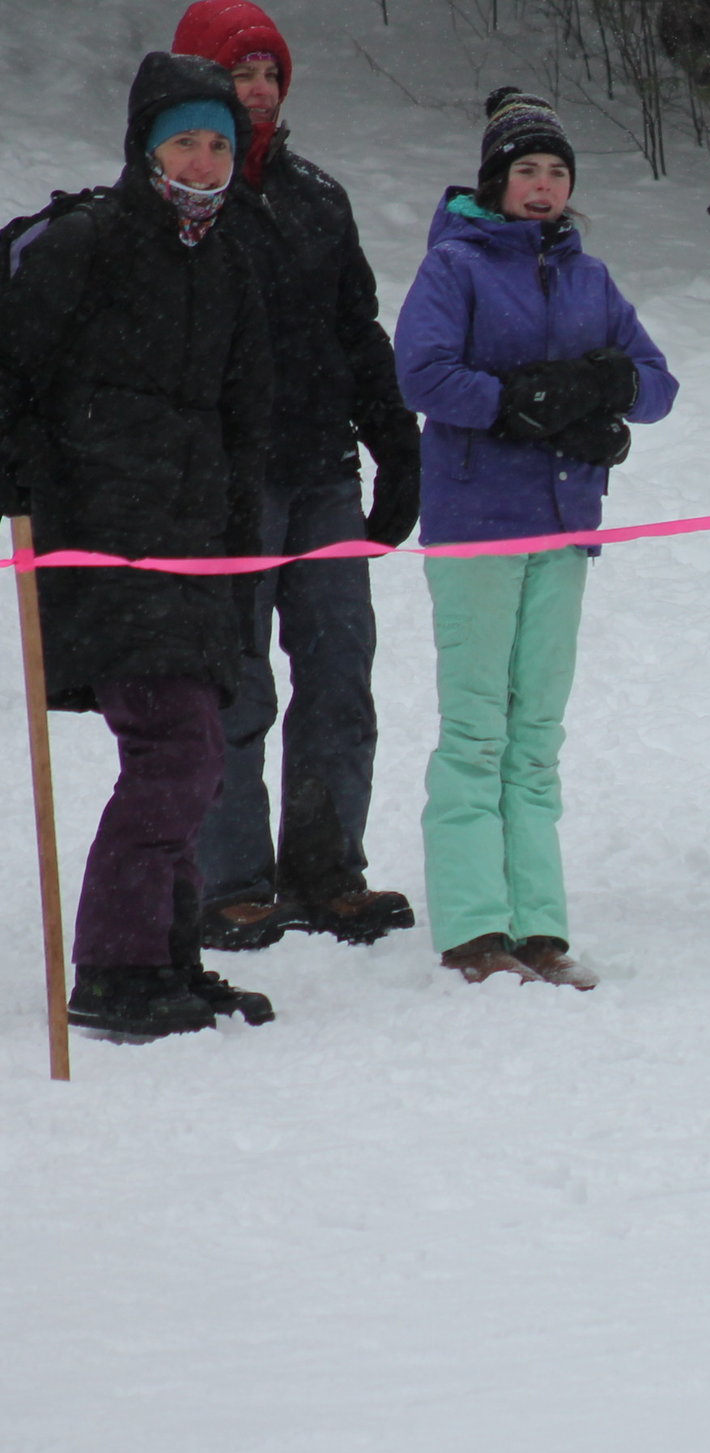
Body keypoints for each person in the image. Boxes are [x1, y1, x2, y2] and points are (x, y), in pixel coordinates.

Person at [0, 52, 276, 1040]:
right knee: (179, 750)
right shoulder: (88, 243)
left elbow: (246, 413)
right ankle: (114, 967)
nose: (202, 162)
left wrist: (243, 540)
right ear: (146, 148)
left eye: (218, 144)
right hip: (102, 533)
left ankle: (166, 952)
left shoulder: (232, 256)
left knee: (192, 746)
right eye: (184, 143)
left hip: (200, 538)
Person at [392, 88, 676, 988]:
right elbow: (422, 372)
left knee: (537, 730)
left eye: (557, 172)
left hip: (564, 527)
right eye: (527, 171)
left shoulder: (590, 278)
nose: (544, 186)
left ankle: (539, 924)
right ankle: (477, 925)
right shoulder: (456, 265)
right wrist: (515, 404)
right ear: (497, 182)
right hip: (477, 523)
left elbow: (659, 382)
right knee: (476, 726)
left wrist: (604, 390)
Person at [172, 0, 424, 953]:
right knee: (235, 685)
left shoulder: (317, 195)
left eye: (272, 73)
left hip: (324, 471)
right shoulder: (187, 200)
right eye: (243, 72)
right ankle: (231, 879)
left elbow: (356, 330)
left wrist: (397, 438)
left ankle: (327, 867)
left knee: (338, 674)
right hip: (227, 484)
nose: (262, 90)